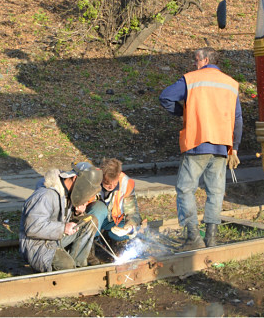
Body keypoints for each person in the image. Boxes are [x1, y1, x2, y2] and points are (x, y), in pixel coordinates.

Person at [159, 47, 242, 250]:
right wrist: (235, 148)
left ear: (205, 60)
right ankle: (211, 239)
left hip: (198, 142)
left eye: (196, 60)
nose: (194, 64)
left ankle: (192, 237)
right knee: (215, 192)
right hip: (222, 145)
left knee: (185, 189)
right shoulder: (231, 84)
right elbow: (237, 119)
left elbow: (165, 97)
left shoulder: (192, 79)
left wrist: (183, 111)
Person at [18, 166, 102, 272]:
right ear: (75, 178)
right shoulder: (45, 195)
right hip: (39, 246)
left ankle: (78, 266)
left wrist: (77, 213)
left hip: (56, 239)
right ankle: (71, 267)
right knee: (67, 266)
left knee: (89, 221)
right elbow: (32, 228)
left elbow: (65, 219)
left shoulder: (70, 193)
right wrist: (63, 228)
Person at [87, 157, 144, 255]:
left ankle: (111, 241)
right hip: (95, 220)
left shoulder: (126, 183)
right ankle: (93, 244)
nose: (112, 187)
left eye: (115, 183)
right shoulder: (92, 180)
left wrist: (129, 227)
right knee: (99, 208)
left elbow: (133, 212)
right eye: (107, 183)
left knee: (125, 234)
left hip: (115, 221)